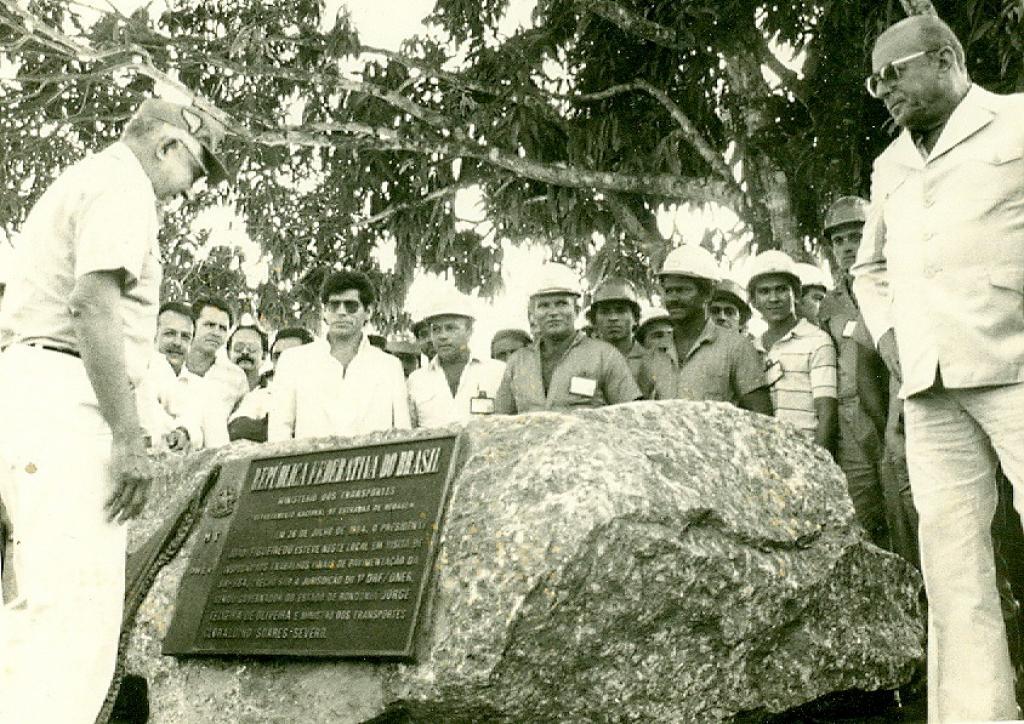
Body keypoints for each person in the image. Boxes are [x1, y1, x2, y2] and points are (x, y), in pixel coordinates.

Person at [0, 96, 227, 723]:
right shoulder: (125, 186)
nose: (193, 188)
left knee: (37, 609)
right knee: (73, 616)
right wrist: (127, 436)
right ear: (167, 147)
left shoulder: (83, 178)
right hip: (69, 401)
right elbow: (93, 305)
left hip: (37, 389)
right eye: (197, 168)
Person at [853, 15, 1024, 720]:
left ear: (947, 58)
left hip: (1016, 366)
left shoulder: (1015, 120)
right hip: (930, 389)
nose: (882, 91)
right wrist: (897, 346)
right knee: (953, 566)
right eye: (874, 81)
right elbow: (868, 270)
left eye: (894, 73)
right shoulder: (891, 162)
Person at [817, 196, 917, 558]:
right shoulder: (831, 301)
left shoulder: (897, 285)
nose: (847, 246)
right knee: (864, 512)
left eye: (855, 236)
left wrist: (857, 329)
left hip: (896, 406)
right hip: (851, 416)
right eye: (839, 240)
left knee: (908, 507)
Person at [269, 270, 410, 440]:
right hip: (310, 464)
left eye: (351, 306)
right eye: (334, 305)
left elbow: (403, 434)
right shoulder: (294, 361)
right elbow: (279, 432)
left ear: (368, 311)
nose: (341, 312)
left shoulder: (389, 366)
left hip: (371, 464)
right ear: (325, 311)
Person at [495, 263, 641, 414]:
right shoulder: (517, 362)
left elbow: (633, 415)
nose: (553, 312)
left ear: (576, 310)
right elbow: (499, 421)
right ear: (533, 314)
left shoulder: (605, 356)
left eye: (561, 304)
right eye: (544, 306)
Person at [656, 245, 771, 413]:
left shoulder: (736, 347)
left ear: (708, 294)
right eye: (669, 291)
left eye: (682, 290)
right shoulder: (656, 352)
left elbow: (762, 417)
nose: (673, 298)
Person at [748, 251, 838, 451]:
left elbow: (827, 413)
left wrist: (819, 462)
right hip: (766, 454)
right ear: (753, 302)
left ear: (796, 295)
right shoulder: (752, 348)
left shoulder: (817, 341)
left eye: (781, 290)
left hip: (806, 451)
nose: (773, 298)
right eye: (764, 291)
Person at [407, 294, 505, 427]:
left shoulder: (497, 372)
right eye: (436, 329)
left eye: (450, 328)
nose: (442, 336)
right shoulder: (416, 381)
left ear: (469, 330)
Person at [586, 277, 675, 399]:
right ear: (594, 321)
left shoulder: (653, 362)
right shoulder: (584, 361)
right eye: (605, 312)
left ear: (635, 318)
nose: (613, 318)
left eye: (621, 311)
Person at [137, 301, 205, 453]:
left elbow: (196, 427)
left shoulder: (199, 387)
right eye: (170, 334)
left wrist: (185, 432)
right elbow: (148, 424)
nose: (177, 343)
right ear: (154, 335)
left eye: (185, 337)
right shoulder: (140, 375)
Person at [228, 326, 314, 443]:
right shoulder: (259, 397)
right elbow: (237, 429)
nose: (282, 361)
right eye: (277, 356)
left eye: (290, 355)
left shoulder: (329, 392)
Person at [183, 296, 248, 440]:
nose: (216, 333)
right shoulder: (173, 365)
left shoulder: (236, 377)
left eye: (222, 328)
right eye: (209, 325)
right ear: (193, 325)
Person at [227, 323, 268, 391]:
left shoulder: (275, 394)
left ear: (264, 355)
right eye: (238, 347)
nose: (245, 352)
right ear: (228, 354)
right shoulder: (215, 389)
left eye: (252, 348)